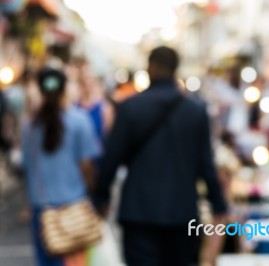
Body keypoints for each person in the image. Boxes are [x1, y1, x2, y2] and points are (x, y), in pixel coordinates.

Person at [95, 46, 227, 266]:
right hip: (181, 213)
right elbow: (206, 163)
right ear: (175, 69)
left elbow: (112, 157)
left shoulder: (130, 108)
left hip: (139, 212)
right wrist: (219, 204)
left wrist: (101, 196)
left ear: (151, 67)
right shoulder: (196, 110)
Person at [21, 68, 99, 266]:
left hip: (42, 210)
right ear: (66, 89)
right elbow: (87, 165)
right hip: (75, 209)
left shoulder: (29, 126)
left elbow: (27, 168)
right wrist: (95, 193)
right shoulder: (80, 120)